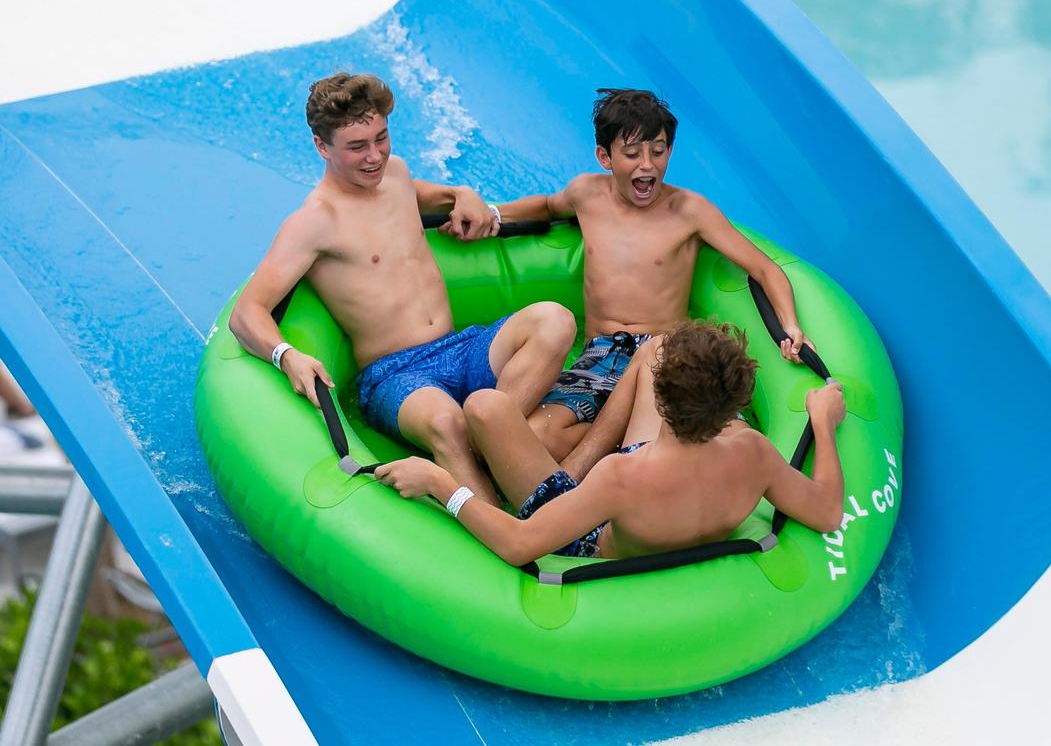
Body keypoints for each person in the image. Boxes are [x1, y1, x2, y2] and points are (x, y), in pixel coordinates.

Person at [230, 72, 576, 504]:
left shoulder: (394, 175)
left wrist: (462, 193)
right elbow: (246, 313)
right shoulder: (314, 222)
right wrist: (287, 356)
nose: (375, 156)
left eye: (381, 137)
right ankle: (499, 529)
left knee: (555, 320)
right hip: (397, 375)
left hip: (462, 347)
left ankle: (492, 442)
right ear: (322, 147)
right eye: (357, 147)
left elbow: (431, 196)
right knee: (445, 421)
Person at [472, 88, 814, 477]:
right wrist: (493, 214)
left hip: (664, 355)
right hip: (602, 356)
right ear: (605, 157)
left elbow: (766, 269)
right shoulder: (587, 194)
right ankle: (619, 453)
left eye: (659, 150)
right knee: (535, 437)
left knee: (726, 451)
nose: (647, 165)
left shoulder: (690, 211)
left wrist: (791, 326)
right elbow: (548, 206)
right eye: (632, 153)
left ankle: (618, 456)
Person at [375, 322, 845, 564]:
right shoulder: (755, 456)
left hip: (599, 535)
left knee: (484, 407)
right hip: (665, 500)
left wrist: (441, 484)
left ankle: (562, 467)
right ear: (728, 410)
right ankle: (575, 459)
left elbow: (520, 546)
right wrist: (822, 422)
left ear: (661, 398)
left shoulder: (621, 478)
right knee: (658, 344)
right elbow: (826, 513)